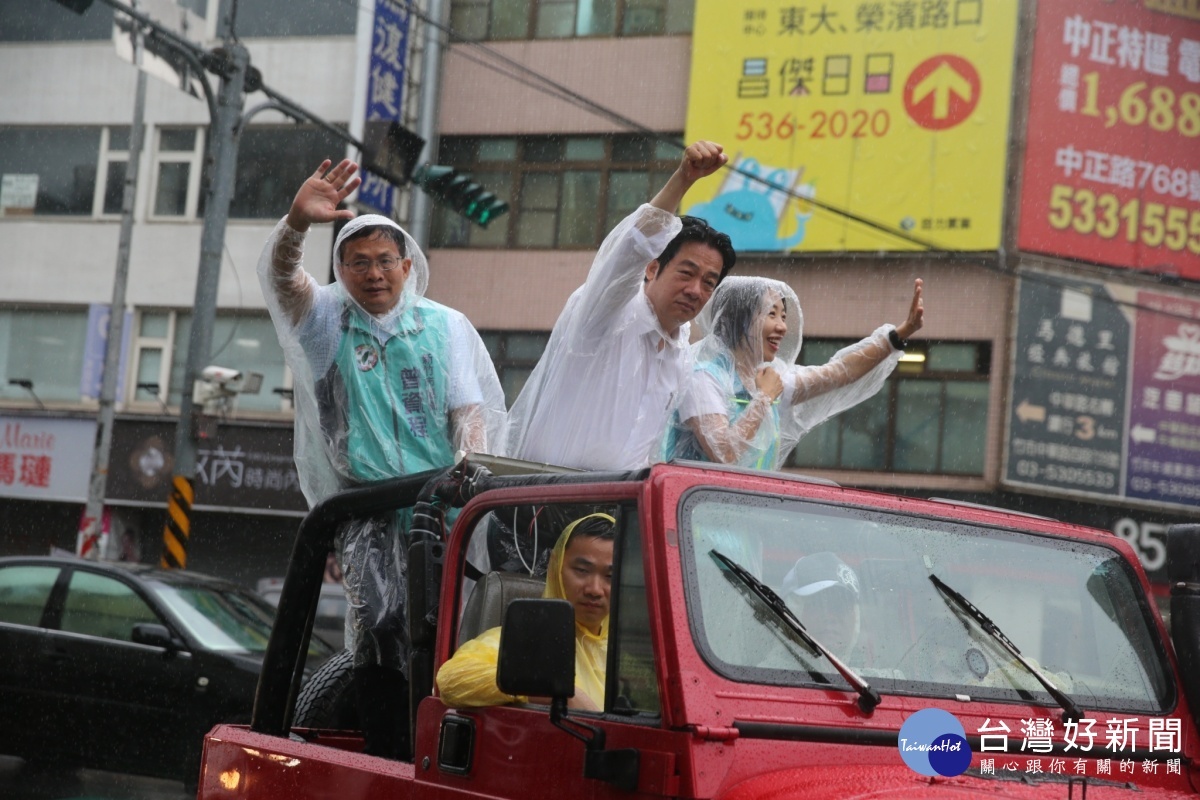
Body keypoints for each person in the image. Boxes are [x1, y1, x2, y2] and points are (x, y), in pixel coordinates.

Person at [258, 158, 505, 759]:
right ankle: (387, 754)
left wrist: (465, 476)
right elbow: (282, 278)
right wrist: (296, 222)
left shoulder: (444, 327)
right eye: (358, 262)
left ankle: (444, 751)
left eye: (385, 261)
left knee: (445, 630)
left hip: (440, 509)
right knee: (379, 629)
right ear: (341, 270)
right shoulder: (324, 322)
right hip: (368, 508)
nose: (374, 274)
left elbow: (468, 415)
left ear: (407, 264)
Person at [504, 141, 735, 471]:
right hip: (542, 501)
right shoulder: (607, 314)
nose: (696, 290)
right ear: (652, 268)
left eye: (709, 282)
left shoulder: (681, 352)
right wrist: (683, 179)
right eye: (687, 273)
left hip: (616, 509)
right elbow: (632, 248)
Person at [664, 276, 925, 470]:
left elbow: (838, 373)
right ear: (739, 319)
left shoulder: (770, 380)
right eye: (771, 314)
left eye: (784, 317)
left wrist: (897, 336)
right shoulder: (705, 378)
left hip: (741, 519)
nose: (782, 327)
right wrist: (763, 400)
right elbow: (724, 451)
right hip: (694, 520)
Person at [436, 513, 616, 710]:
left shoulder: (624, 657)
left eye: (610, 576)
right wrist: (555, 692)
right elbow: (451, 681)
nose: (595, 590)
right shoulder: (521, 643)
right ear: (554, 566)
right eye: (582, 570)